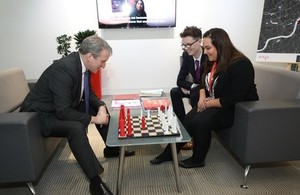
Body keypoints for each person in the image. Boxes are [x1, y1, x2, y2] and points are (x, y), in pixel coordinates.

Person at [20, 35, 135, 195]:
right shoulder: (64, 69)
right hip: (39, 117)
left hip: (57, 108)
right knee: (75, 128)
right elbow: (63, 111)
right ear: (89, 56)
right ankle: (95, 183)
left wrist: (101, 106)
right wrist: (94, 119)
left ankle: (111, 148)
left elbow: (89, 95)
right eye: (102, 61)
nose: (103, 65)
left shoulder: (81, 64)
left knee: (100, 109)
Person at [150, 28, 259, 168]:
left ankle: (198, 160)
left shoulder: (241, 64)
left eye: (208, 48)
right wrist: (202, 97)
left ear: (220, 45)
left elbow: (234, 99)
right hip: (217, 101)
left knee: (200, 120)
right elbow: (202, 82)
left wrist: (208, 103)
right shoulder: (213, 60)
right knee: (187, 120)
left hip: (237, 108)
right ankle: (169, 153)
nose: (205, 52)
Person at [170, 26, 206, 150]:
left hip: (206, 91)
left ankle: (193, 132)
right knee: (175, 92)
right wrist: (191, 86)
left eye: (189, 44)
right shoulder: (186, 55)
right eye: (184, 45)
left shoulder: (208, 55)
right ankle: (182, 126)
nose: (186, 48)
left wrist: (193, 88)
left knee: (196, 93)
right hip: (195, 88)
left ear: (199, 41)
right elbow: (179, 80)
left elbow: (208, 82)